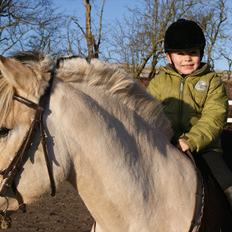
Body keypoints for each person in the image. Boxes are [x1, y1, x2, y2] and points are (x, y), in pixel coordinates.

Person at [147, 18, 232, 207]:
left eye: (192, 53)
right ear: (169, 57)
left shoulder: (212, 82)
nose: (187, 58)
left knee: (226, 182)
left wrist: (190, 141)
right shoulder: (158, 83)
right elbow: (147, 113)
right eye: (180, 53)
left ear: (200, 53)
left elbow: (214, 117)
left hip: (204, 147)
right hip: (164, 143)